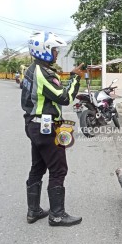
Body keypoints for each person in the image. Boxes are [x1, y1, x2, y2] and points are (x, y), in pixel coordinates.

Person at [21, 31, 84, 227]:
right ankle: (57, 215)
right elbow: (64, 98)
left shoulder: (33, 69)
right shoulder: (43, 73)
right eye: (54, 50)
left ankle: (33, 211)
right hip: (46, 127)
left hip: (34, 124)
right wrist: (76, 79)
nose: (57, 53)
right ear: (45, 50)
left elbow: (52, 93)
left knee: (38, 167)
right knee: (58, 169)